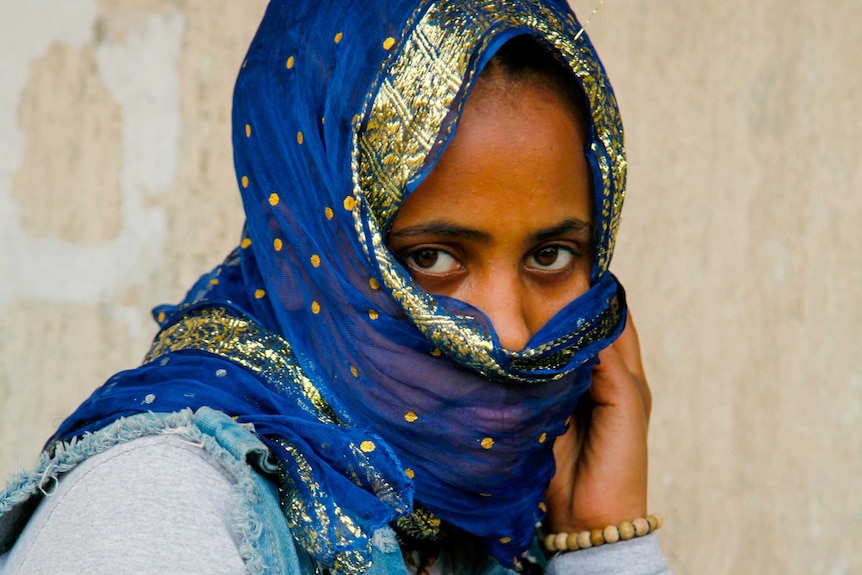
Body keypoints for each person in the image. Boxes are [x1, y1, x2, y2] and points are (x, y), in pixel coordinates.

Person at [0, 1, 669, 574]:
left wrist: (599, 536)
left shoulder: (485, 519)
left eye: (550, 255)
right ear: (310, 248)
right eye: (433, 257)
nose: (511, 330)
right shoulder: (155, 512)